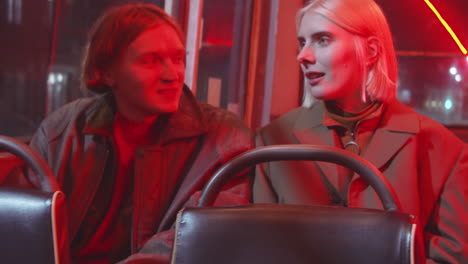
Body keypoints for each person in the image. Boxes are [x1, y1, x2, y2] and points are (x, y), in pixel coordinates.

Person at [8, 3, 253, 263]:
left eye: (178, 58)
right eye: (151, 61)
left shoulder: (223, 136)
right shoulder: (63, 129)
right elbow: (24, 224)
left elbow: (201, 235)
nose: (173, 75)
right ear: (107, 72)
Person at [253, 0, 468, 263]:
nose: (303, 56)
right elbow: (259, 247)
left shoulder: (443, 150)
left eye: (322, 40)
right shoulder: (273, 140)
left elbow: (452, 257)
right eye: (302, 42)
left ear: (371, 51)